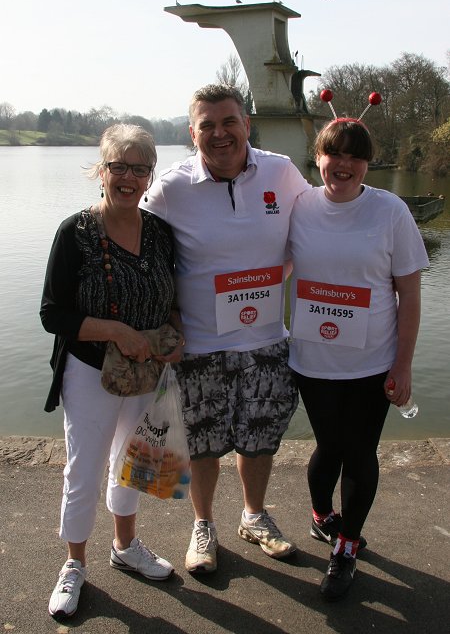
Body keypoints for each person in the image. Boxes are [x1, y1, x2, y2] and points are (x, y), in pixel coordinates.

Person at [141, 84, 311, 573]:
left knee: (259, 439)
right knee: (203, 445)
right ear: (193, 133)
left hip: (266, 342)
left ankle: (255, 516)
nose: (220, 134)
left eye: (228, 122)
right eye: (207, 126)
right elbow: (139, 246)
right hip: (199, 346)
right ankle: (204, 525)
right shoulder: (172, 187)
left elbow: (321, 226)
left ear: (246, 124)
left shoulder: (280, 171)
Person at [40, 124, 185, 618]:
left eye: (139, 168)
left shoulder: (162, 232)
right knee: (82, 468)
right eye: (118, 166)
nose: (128, 177)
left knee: (134, 462)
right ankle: (74, 566)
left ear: (150, 176)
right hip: (90, 371)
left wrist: (174, 332)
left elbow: (173, 298)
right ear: (101, 172)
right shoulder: (75, 233)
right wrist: (115, 331)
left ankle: (126, 548)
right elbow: (52, 315)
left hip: (148, 374)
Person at [288, 118, 429, 600]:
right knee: (330, 447)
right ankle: (320, 515)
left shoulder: (390, 212)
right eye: (334, 154)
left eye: (355, 156)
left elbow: (409, 294)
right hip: (312, 360)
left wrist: (403, 364)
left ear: (367, 163)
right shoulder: (299, 206)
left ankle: (346, 545)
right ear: (319, 158)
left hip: (372, 362)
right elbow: (263, 259)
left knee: (360, 451)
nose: (343, 165)